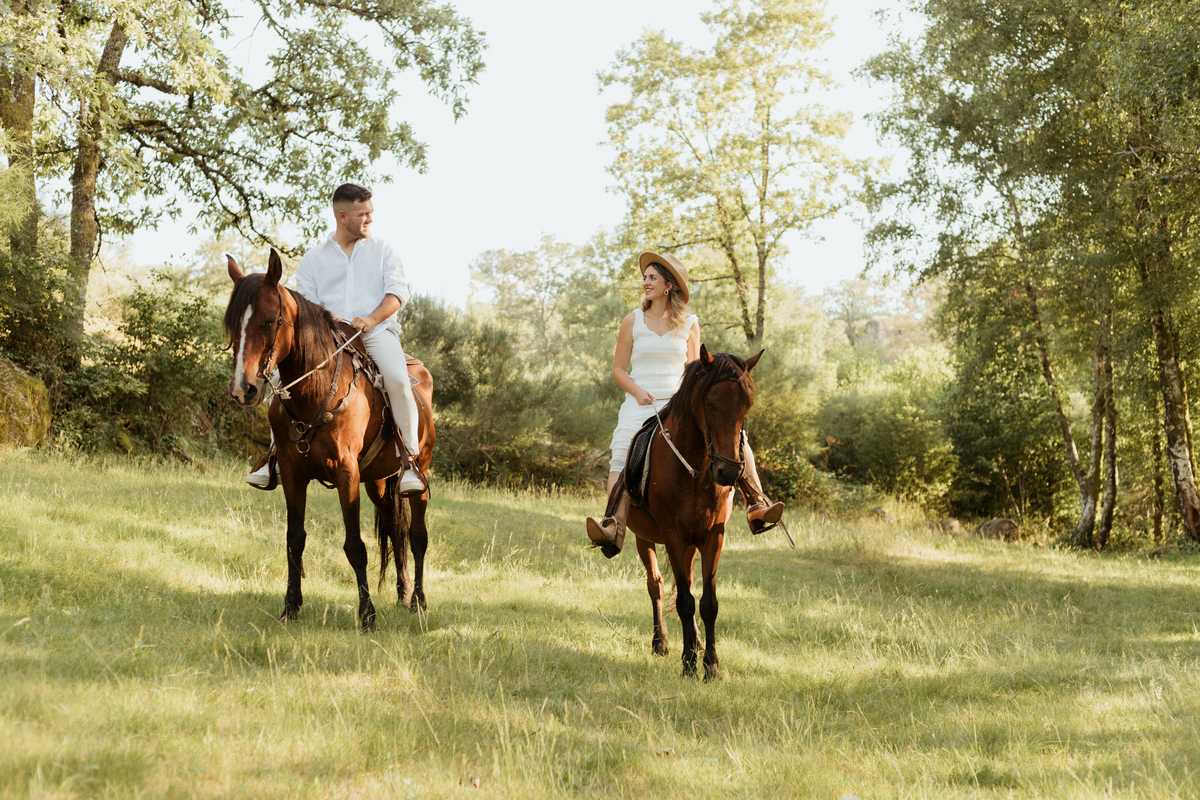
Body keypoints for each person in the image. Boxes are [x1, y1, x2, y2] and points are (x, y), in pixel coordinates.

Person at [585, 251, 784, 556]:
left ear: (669, 285)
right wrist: (638, 392)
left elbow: (695, 369)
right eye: (645, 277)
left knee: (738, 439)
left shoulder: (689, 323)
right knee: (623, 446)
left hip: (679, 403)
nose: (645, 282)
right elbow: (618, 370)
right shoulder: (632, 321)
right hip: (641, 402)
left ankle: (756, 505)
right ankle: (613, 524)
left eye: (652, 277)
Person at [245, 183, 424, 494]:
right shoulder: (314, 259)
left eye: (370, 212)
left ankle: (410, 461)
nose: (370, 218)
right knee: (281, 384)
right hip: (328, 340)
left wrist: (371, 319)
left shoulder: (384, 249)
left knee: (397, 379)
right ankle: (273, 457)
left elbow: (397, 294)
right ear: (342, 216)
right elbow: (307, 308)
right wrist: (333, 326)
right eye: (363, 214)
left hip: (375, 332)